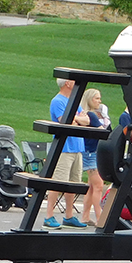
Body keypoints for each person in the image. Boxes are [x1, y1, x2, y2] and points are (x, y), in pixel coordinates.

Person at [45, 78, 90, 229]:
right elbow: (65, 122)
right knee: (58, 182)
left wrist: (76, 119)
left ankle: (69, 215)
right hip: (64, 148)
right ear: (67, 83)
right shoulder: (57, 101)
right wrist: (76, 120)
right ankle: (49, 216)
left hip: (78, 147)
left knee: (73, 183)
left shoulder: (74, 101)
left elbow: (87, 120)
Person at [78, 88, 110, 226]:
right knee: (98, 186)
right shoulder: (91, 115)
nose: (99, 101)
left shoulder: (86, 114)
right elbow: (104, 132)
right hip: (91, 152)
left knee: (92, 187)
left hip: (88, 151)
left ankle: (85, 216)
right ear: (90, 99)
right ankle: (100, 218)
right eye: (97, 98)